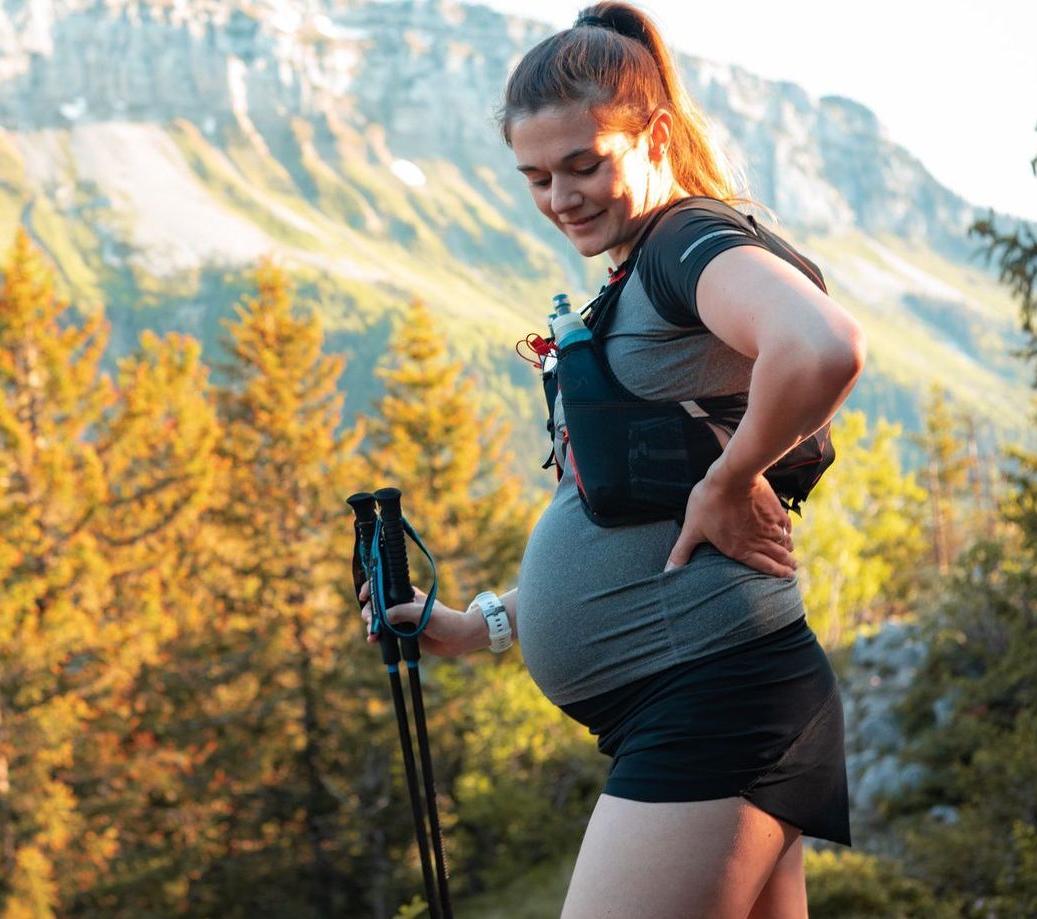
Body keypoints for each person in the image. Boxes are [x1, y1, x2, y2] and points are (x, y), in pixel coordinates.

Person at [358, 4, 867, 917]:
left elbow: (822, 344)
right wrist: (483, 627)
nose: (561, 197)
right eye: (537, 176)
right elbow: (634, 515)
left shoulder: (685, 241)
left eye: (585, 164)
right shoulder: (636, 272)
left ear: (655, 135)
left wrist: (729, 478)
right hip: (709, 696)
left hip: (709, 701)